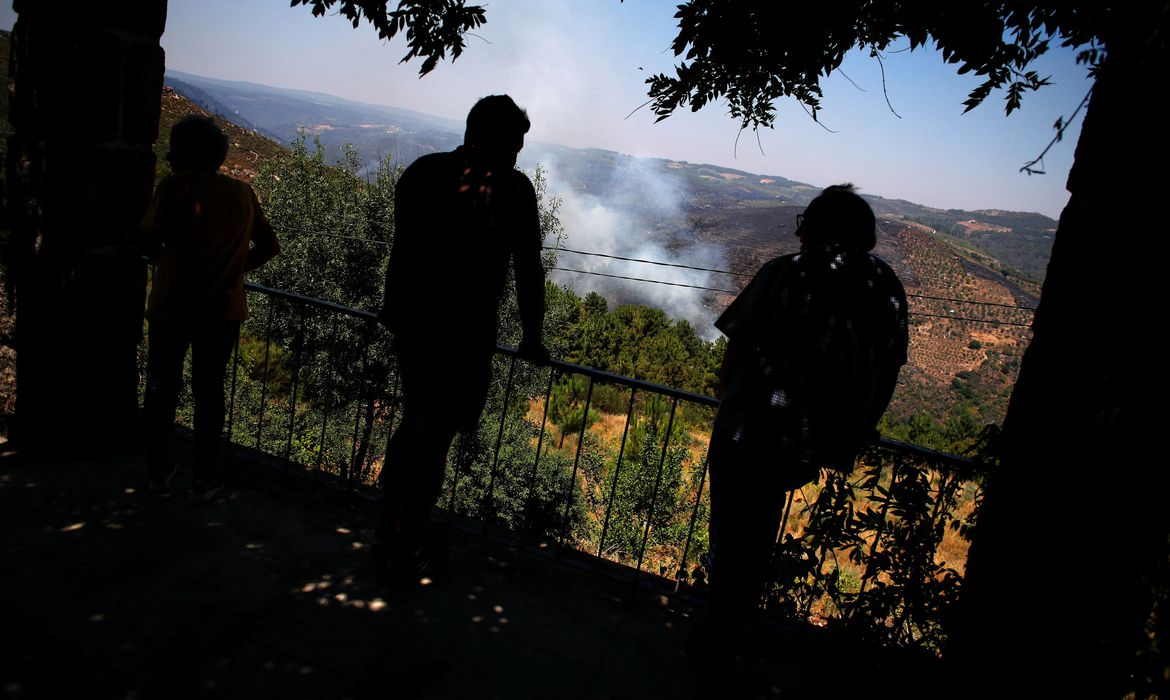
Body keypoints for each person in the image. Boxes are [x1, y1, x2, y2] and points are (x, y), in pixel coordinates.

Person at [700, 184, 908, 665]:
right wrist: (857, 429)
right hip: (803, 443)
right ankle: (732, 636)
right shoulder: (885, 287)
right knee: (756, 541)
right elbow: (887, 371)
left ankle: (718, 641)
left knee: (732, 540)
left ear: (813, 226)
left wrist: (725, 399)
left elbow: (736, 349)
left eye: (804, 221)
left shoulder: (784, 273)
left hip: (745, 429)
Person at [377, 95, 548, 579]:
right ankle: (406, 540)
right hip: (464, 333)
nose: (516, 155)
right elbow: (528, 270)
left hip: (412, 324)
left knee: (416, 421)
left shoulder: (421, 172)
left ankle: (391, 527)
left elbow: (403, 250)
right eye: (513, 144)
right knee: (433, 435)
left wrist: (395, 309)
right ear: (490, 137)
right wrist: (532, 338)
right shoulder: (513, 190)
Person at [142, 115, 280, 501]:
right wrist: (234, 271)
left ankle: (158, 470)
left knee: (161, 388)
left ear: (181, 151)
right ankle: (205, 478)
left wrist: (170, 260)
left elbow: (148, 242)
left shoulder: (174, 187)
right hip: (222, 312)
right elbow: (270, 247)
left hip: (172, 306)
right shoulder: (243, 194)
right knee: (210, 393)